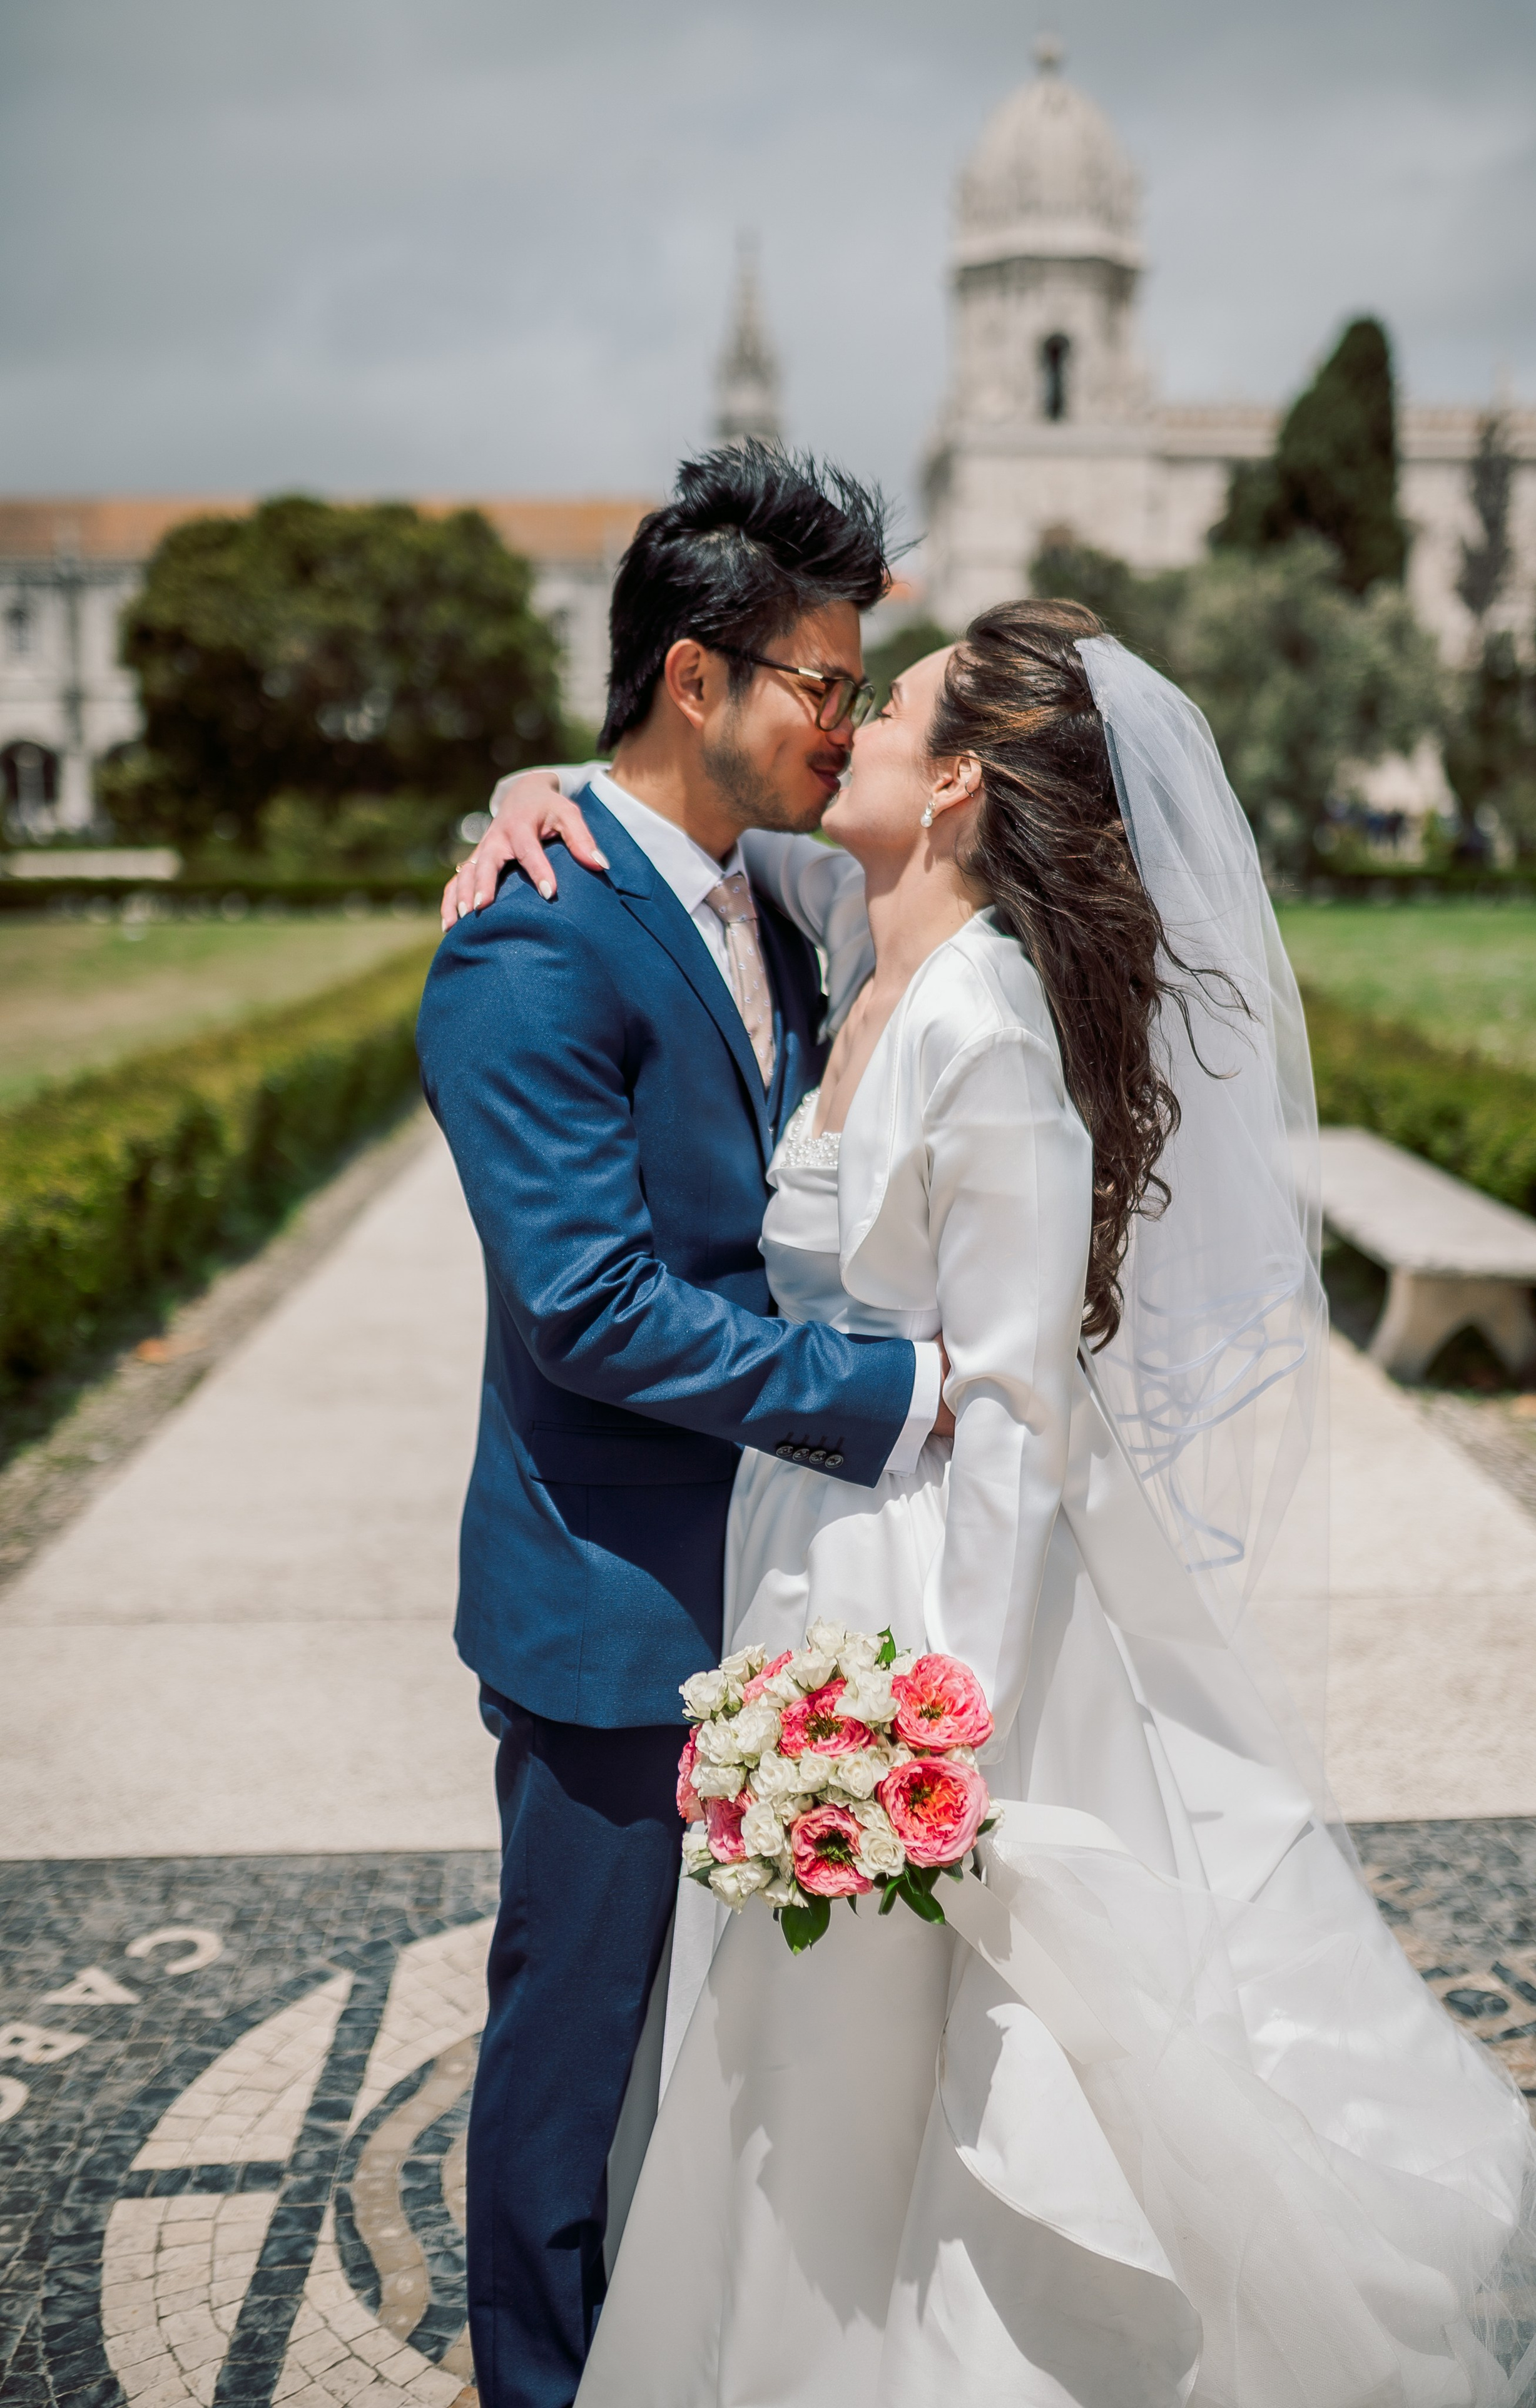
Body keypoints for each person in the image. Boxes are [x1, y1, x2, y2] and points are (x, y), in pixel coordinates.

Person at [453, 601, 1536, 2405]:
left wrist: (941, 1732)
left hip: (923, 1594)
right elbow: (667, 827)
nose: (844, 726)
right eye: (834, 689)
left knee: (918, 2030)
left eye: (883, 704)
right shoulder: (847, 927)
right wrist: (529, 791)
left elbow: (1013, 1418)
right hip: (797, 1549)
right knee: (770, 2026)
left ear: (958, 782)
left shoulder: (985, 1022)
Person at [415, 446, 953, 2408]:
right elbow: (587, 1307)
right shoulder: (531, 934)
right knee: (575, 2036)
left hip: (771, 1577)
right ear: (695, 679)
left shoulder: (774, 890)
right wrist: (890, 1399)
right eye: (822, 682)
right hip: (611, 1600)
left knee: (708, 2048)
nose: (845, 724)